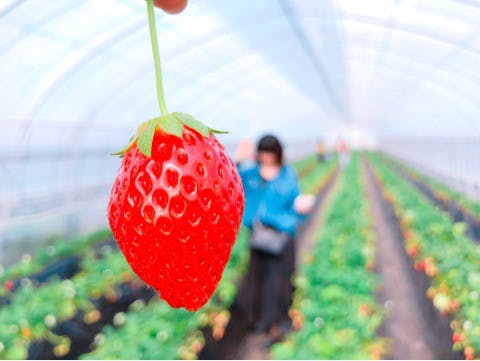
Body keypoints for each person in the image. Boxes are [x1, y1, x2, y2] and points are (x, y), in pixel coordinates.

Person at [235, 135, 314, 342]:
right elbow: (230, 181)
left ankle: (276, 322)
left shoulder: (288, 175)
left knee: (277, 283)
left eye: (271, 154)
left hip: (282, 238)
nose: (267, 159)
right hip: (259, 237)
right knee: (257, 280)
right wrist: (239, 160)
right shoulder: (250, 173)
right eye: (263, 154)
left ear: (278, 154)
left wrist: (301, 206)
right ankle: (258, 321)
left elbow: (295, 203)